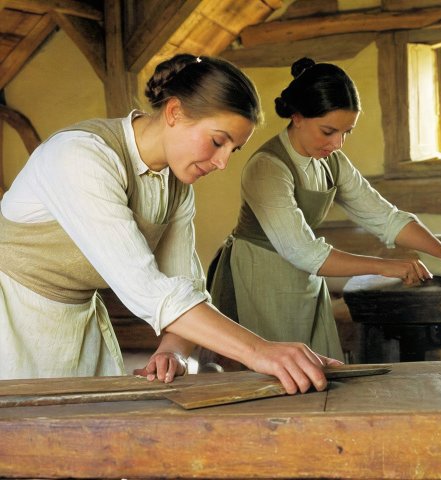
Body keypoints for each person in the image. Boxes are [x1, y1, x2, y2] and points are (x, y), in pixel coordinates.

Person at [0, 53, 341, 394]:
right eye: (218, 141)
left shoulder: (175, 186)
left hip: (79, 323)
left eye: (233, 150)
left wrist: (174, 349)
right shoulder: (80, 156)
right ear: (175, 112)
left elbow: (184, 285)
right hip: (11, 318)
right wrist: (260, 351)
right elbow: (146, 288)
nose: (222, 162)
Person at [207, 57, 441, 362]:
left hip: (306, 272)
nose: (338, 143)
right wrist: (386, 266)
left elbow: (385, 217)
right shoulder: (267, 167)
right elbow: (304, 253)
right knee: (284, 372)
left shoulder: (332, 161)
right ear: (297, 116)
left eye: (347, 132)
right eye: (328, 131)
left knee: (319, 363)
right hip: (262, 275)